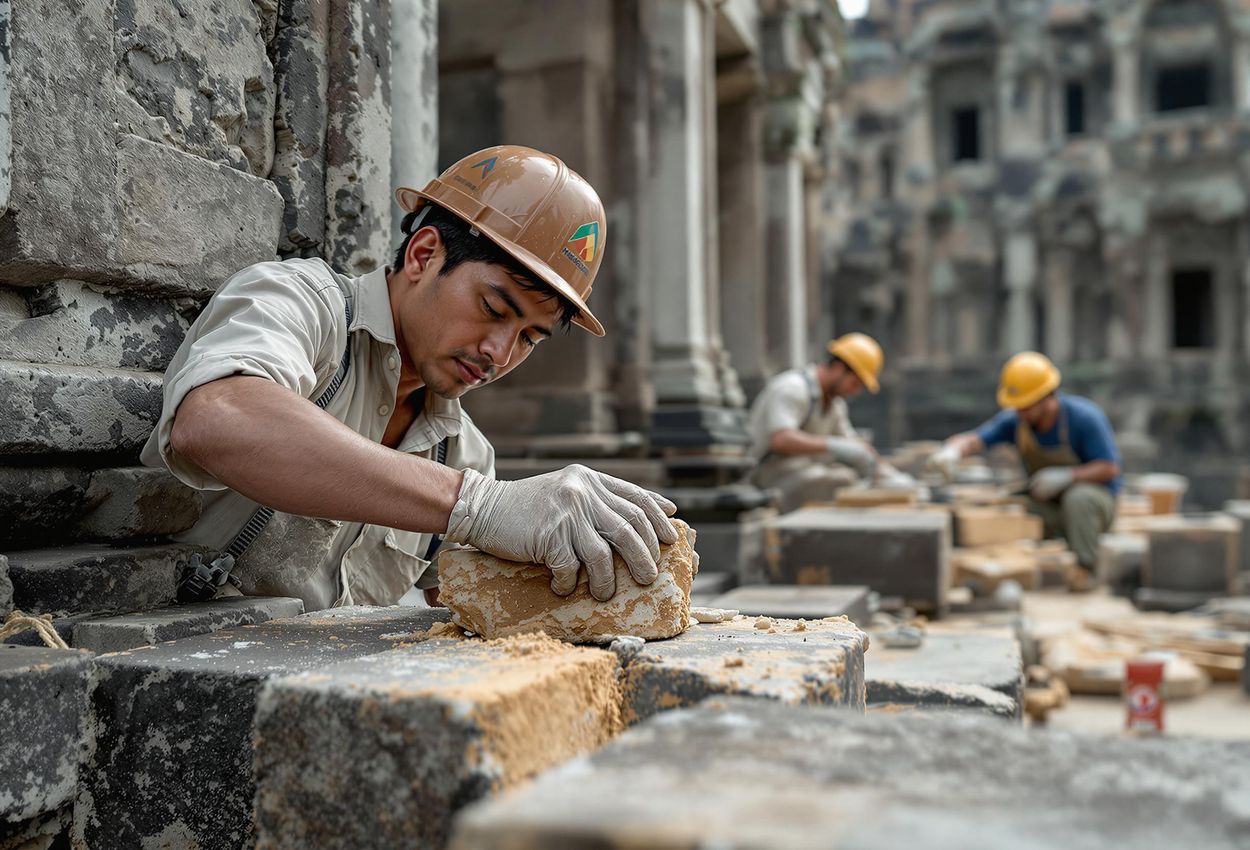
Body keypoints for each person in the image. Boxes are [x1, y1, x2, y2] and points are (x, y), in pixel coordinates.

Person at [141, 145, 677, 611]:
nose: (499, 353)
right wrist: (476, 506)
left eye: (529, 338)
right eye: (493, 308)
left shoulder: (463, 453)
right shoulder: (304, 305)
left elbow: (474, 609)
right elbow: (214, 420)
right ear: (423, 255)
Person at [928, 351, 1120, 580]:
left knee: (1079, 498)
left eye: (1026, 406)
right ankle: (1010, 570)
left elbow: (1110, 467)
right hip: (1050, 506)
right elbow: (975, 439)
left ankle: (1085, 570)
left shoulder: (1084, 418)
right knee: (1008, 506)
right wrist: (952, 451)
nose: (1021, 412)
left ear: (1047, 397)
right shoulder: (1017, 421)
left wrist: (1068, 476)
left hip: (1095, 506)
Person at [747, 333, 908, 511]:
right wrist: (833, 445)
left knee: (847, 477)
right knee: (841, 481)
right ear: (838, 368)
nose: (855, 392)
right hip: (766, 477)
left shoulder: (835, 405)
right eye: (855, 383)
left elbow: (854, 445)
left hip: (799, 473)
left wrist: (888, 475)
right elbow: (781, 439)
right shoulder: (793, 388)